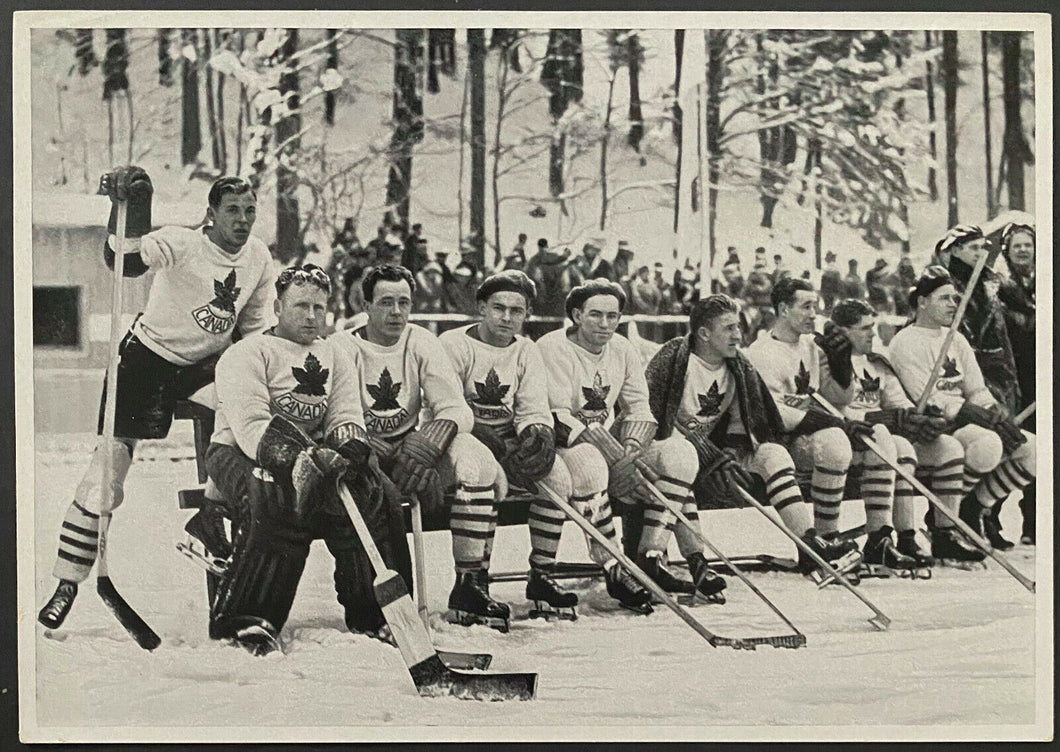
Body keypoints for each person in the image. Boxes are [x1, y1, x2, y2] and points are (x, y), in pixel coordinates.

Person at [38, 172, 276, 630]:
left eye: (249, 211)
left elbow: (254, 325)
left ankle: (210, 515)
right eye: (233, 210)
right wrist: (133, 209)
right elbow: (124, 262)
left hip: (205, 365)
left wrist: (260, 373)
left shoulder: (259, 256)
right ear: (212, 213)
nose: (243, 220)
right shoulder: (183, 244)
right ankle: (68, 580)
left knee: (240, 415)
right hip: (147, 361)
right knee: (107, 472)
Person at [204, 264, 407, 654]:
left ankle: (377, 613)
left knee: (371, 491)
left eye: (319, 307)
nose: (312, 316)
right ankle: (248, 619)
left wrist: (347, 452)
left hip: (318, 456)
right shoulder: (246, 353)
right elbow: (250, 427)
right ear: (278, 307)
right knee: (274, 495)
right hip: (241, 453)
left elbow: (346, 414)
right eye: (300, 306)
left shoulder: (334, 354)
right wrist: (302, 460)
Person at [330, 265, 510, 630]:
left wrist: (430, 443)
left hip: (412, 451)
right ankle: (381, 607)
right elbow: (336, 415)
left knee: (476, 462)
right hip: (365, 455)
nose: (396, 312)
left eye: (404, 302)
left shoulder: (420, 340)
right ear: (365, 305)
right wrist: (368, 444)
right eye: (385, 302)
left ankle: (469, 585)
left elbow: (455, 408)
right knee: (376, 497)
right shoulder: (343, 346)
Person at [537, 279, 728, 607]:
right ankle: (613, 566)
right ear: (576, 315)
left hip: (611, 447)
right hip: (563, 447)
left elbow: (639, 407)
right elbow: (555, 414)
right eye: (595, 315)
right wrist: (614, 457)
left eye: (613, 316)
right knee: (590, 462)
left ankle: (652, 556)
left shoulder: (622, 349)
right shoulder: (552, 346)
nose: (605, 324)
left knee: (680, 453)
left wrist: (631, 451)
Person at [644, 294, 857, 574]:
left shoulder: (737, 365)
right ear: (704, 334)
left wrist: (730, 456)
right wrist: (709, 456)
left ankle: (808, 544)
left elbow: (745, 422)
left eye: (738, 327)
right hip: (663, 451)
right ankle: (687, 559)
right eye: (729, 328)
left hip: (708, 454)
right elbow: (652, 420)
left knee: (773, 453)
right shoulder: (674, 357)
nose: (738, 335)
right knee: (682, 458)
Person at [440, 270, 585, 619]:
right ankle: (469, 581)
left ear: (526, 314)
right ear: (481, 308)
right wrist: (485, 438)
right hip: (460, 436)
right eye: (498, 308)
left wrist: (537, 434)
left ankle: (541, 574)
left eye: (516, 311)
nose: (507, 318)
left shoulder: (526, 350)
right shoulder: (453, 344)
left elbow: (533, 406)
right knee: (479, 472)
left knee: (559, 478)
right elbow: (444, 405)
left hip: (507, 440)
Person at [888, 266, 1036, 558]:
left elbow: (976, 388)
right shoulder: (904, 341)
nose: (953, 305)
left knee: (1033, 449)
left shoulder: (956, 338)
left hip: (968, 420)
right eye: (944, 298)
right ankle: (945, 518)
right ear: (922, 301)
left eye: (955, 299)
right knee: (987, 444)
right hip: (936, 427)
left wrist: (992, 409)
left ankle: (972, 507)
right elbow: (925, 397)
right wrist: (969, 412)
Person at [828, 298, 965, 571]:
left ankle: (922, 535)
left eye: (873, 327)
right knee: (896, 444)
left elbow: (898, 403)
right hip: (850, 442)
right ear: (843, 332)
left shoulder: (876, 363)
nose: (873, 334)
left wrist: (918, 418)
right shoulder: (829, 361)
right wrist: (885, 419)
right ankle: (880, 538)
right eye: (865, 328)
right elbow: (831, 408)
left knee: (947, 447)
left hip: (882, 441)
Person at [744, 277, 867, 562]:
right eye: (807, 306)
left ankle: (827, 538)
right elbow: (774, 414)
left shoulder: (811, 346)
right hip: (774, 440)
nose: (814, 314)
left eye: (816, 306)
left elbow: (838, 398)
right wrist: (834, 423)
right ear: (784, 309)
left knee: (839, 442)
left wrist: (842, 364)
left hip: (799, 436)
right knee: (834, 439)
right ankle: (815, 546)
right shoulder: (761, 352)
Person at [996, 223, 1036, 544]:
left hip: (1039, 376)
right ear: (1008, 251)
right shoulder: (1000, 288)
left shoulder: (1045, 282)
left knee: (1041, 450)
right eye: (1017, 246)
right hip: (1012, 376)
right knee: (1010, 444)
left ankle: (1033, 525)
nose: (1023, 250)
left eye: (1028, 245)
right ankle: (989, 518)